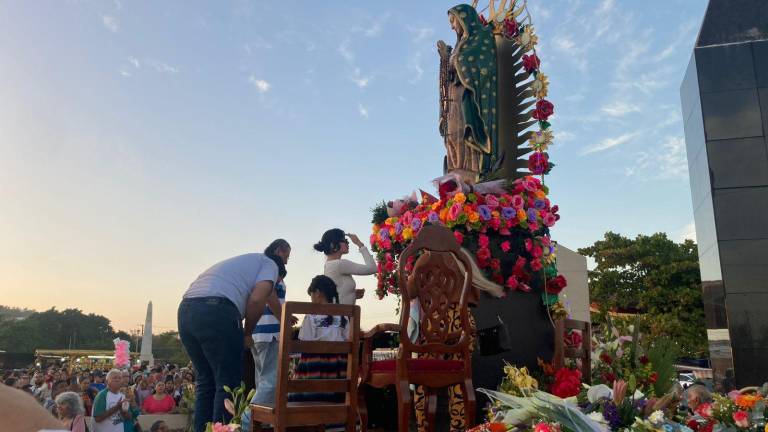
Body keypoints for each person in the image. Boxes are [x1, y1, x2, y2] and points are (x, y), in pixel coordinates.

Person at [179, 251, 284, 432]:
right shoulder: (271, 266)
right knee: (227, 383)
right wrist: (247, 333)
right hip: (217, 310)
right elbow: (258, 299)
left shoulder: (245, 263)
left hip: (186, 311)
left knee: (206, 382)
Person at [239, 261, 289, 431]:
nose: (287, 259)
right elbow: (271, 299)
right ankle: (246, 420)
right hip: (270, 333)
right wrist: (285, 321)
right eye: (286, 254)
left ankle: (261, 420)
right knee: (272, 381)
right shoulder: (271, 274)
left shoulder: (258, 275)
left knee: (262, 381)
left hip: (257, 332)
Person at [289, 276, 349, 405]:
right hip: (339, 369)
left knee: (299, 372)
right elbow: (347, 340)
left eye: (311, 294)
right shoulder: (344, 315)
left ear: (317, 292)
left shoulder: (311, 315)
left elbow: (304, 346)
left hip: (316, 369)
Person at [314, 228, 376, 305]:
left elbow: (338, 292)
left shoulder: (329, 265)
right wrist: (359, 244)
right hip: (343, 315)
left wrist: (352, 294)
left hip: (340, 314)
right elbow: (372, 268)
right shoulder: (339, 264)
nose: (348, 243)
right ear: (333, 244)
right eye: (345, 241)